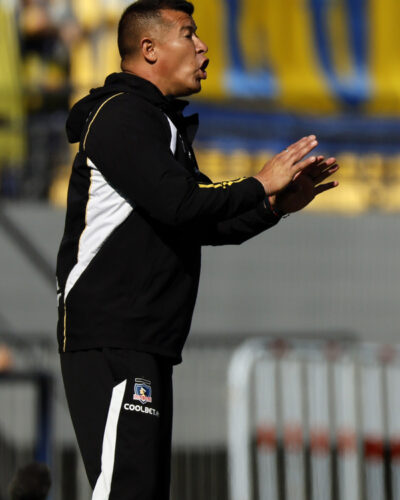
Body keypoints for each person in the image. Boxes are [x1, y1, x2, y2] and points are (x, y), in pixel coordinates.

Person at [55, 1, 338, 498]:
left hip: (145, 340)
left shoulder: (158, 122)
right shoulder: (122, 115)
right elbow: (181, 204)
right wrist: (259, 182)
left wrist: (277, 205)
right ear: (149, 49)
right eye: (189, 34)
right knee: (126, 489)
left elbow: (204, 222)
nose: (203, 47)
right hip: (113, 336)